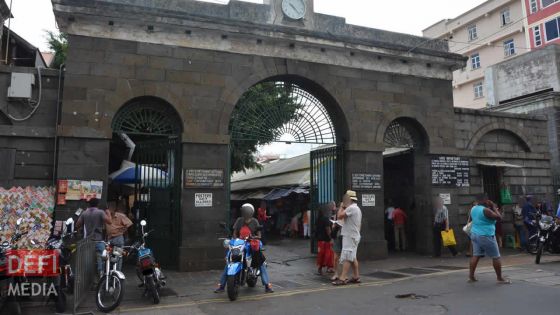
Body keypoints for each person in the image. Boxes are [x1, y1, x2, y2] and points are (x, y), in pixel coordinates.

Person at [215, 203, 274, 293]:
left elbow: (259, 234)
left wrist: (254, 238)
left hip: (252, 243)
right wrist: (235, 239)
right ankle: (221, 286)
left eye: (247, 211)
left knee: (260, 262)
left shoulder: (254, 221)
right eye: (244, 211)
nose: (245, 212)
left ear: (251, 212)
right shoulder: (239, 220)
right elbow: (235, 232)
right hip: (240, 243)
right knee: (229, 261)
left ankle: (267, 285)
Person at [469, 194, 510, 284]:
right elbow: (499, 218)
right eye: (487, 200)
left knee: (476, 255)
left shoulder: (473, 208)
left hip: (475, 234)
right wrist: (494, 207)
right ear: (485, 200)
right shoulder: (486, 210)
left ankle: (471, 276)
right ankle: (499, 278)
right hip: (486, 235)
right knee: (496, 257)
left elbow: (473, 220)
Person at [76, 198, 111, 278]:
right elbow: (109, 222)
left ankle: (89, 279)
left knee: (89, 261)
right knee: (101, 259)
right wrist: (108, 213)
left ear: (89, 204)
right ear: (97, 204)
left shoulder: (84, 213)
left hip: (89, 241)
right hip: (98, 240)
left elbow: (77, 225)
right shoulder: (100, 212)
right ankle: (101, 276)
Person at [332, 190, 362, 286]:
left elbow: (339, 216)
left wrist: (341, 207)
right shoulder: (355, 208)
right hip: (353, 235)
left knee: (347, 257)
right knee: (352, 257)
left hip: (350, 236)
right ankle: (356, 276)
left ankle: (343, 277)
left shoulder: (351, 208)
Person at [105, 201, 133, 271]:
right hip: (109, 239)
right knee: (107, 256)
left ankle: (117, 272)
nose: (110, 209)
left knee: (118, 256)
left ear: (115, 209)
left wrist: (121, 230)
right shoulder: (106, 217)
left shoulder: (120, 216)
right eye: (109, 208)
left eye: (112, 208)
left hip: (118, 239)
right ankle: (109, 273)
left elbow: (129, 224)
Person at [316, 205, 334, 275]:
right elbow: (328, 229)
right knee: (328, 254)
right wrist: (331, 238)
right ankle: (329, 268)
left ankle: (320, 268)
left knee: (321, 254)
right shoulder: (326, 219)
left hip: (320, 239)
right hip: (326, 240)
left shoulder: (318, 219)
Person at [329, 201, 344, 282]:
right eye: (341, 206)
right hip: (338, 236)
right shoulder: (337, 214)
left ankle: (343, 274)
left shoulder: (348, 212)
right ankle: (336, 274)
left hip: (345, 236)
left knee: (344, 257)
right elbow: (333, 226)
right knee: (336, 257)